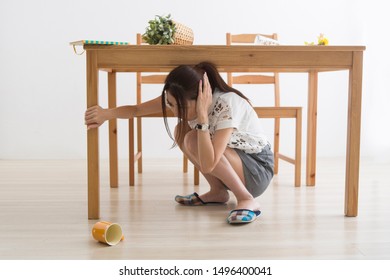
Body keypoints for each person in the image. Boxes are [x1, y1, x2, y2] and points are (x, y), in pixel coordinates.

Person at [85, 61, 274, 224]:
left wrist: (202, 117)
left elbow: (209, 164)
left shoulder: (226, 104)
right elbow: (136, 110)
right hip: (232, 166)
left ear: (200, 98)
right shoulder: (179, 96)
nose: (174, 111)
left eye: (179, 106)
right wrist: (105, 114)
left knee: (193, 137)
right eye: (170, 104)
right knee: (181, 130)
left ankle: (246, 199)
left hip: (256, 171)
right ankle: (218, 192)